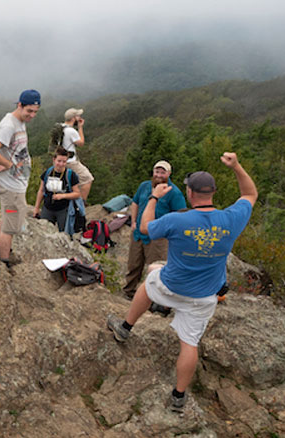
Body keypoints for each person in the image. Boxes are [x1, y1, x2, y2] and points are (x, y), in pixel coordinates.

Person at [107, 152, 257, 416]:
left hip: (172, 285)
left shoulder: (178, 220)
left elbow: (145, 226)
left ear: (188, 192)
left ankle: (125, 327)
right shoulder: (230, 219)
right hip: (203, 295)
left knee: (150, 279)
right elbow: (250, 194)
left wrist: (154, 197)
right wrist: (236, 167)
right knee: (189, 344)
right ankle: (178, 396)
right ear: (213, 192)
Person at [0, 90, 40, 268]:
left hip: (17, 185)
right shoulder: (8, 125)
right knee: (10, 226)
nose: (32, 115)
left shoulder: (19, 121)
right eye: (29, 111)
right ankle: (5, 262)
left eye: (35, 112)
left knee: (8, 219)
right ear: (19, 105)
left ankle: (5, 251)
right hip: (11, 187)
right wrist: (8, 165)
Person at [123, 160, 187, 299]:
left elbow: (181, 214)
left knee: (156, 268)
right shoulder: (144, 186)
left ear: (169, 174)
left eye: (162, 172)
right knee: (134, 264)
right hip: (139, 233)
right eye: (157, 171)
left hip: (159, 237)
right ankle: (129, 292)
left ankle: (155, 298)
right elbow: (135, 203)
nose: (159, 175)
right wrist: (133, 221)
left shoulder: (174, 192)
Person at [33, 147, 81, 232]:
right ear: (54, 160)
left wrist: (63, 196)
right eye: (59, 161)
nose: (61, 164)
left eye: (64, 161)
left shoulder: (70, 175)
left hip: (63, 210)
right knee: (45, 232)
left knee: (64, 234)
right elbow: (41, 190)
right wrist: (36, 208)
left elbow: (77, 193)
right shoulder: (47, 173)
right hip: (47, 208)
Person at [61, 108, 94, 201]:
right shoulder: (71, 131)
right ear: (73, 118)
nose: (79, 117)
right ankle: (81, 204)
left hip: (61, 161)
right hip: (71, 162)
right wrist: (80, 127)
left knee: (72, 183)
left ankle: (72, 203)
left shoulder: (60, 127)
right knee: (88, 178)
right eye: (78, 116)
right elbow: (81, 143)